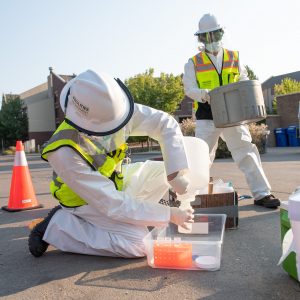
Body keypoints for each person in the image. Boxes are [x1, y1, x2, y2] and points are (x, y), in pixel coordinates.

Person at [28, 70, 194, 258]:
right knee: (139, 244)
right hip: (84, 201)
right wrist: (168, 214)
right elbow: (111, 204)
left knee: (161, 174)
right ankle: (59, 225)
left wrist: (175, 174)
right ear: (86, 122)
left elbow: (165, 123)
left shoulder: (115, 111)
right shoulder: (63, 151)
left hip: (115, 185)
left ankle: (136, 219)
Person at [182, 13, 280, 209]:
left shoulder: (234, 57)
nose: (211, 40)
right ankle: (192, 197)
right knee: (202, 156)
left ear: (220, 34)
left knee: (246, 152)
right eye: (207, 36)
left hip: (233, 115)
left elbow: (243, 80)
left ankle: (262, 194)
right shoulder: (193, 62)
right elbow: (189, 89)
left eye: (214, 35)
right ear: (201, 39)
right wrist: (206, 94)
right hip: (207, 116)